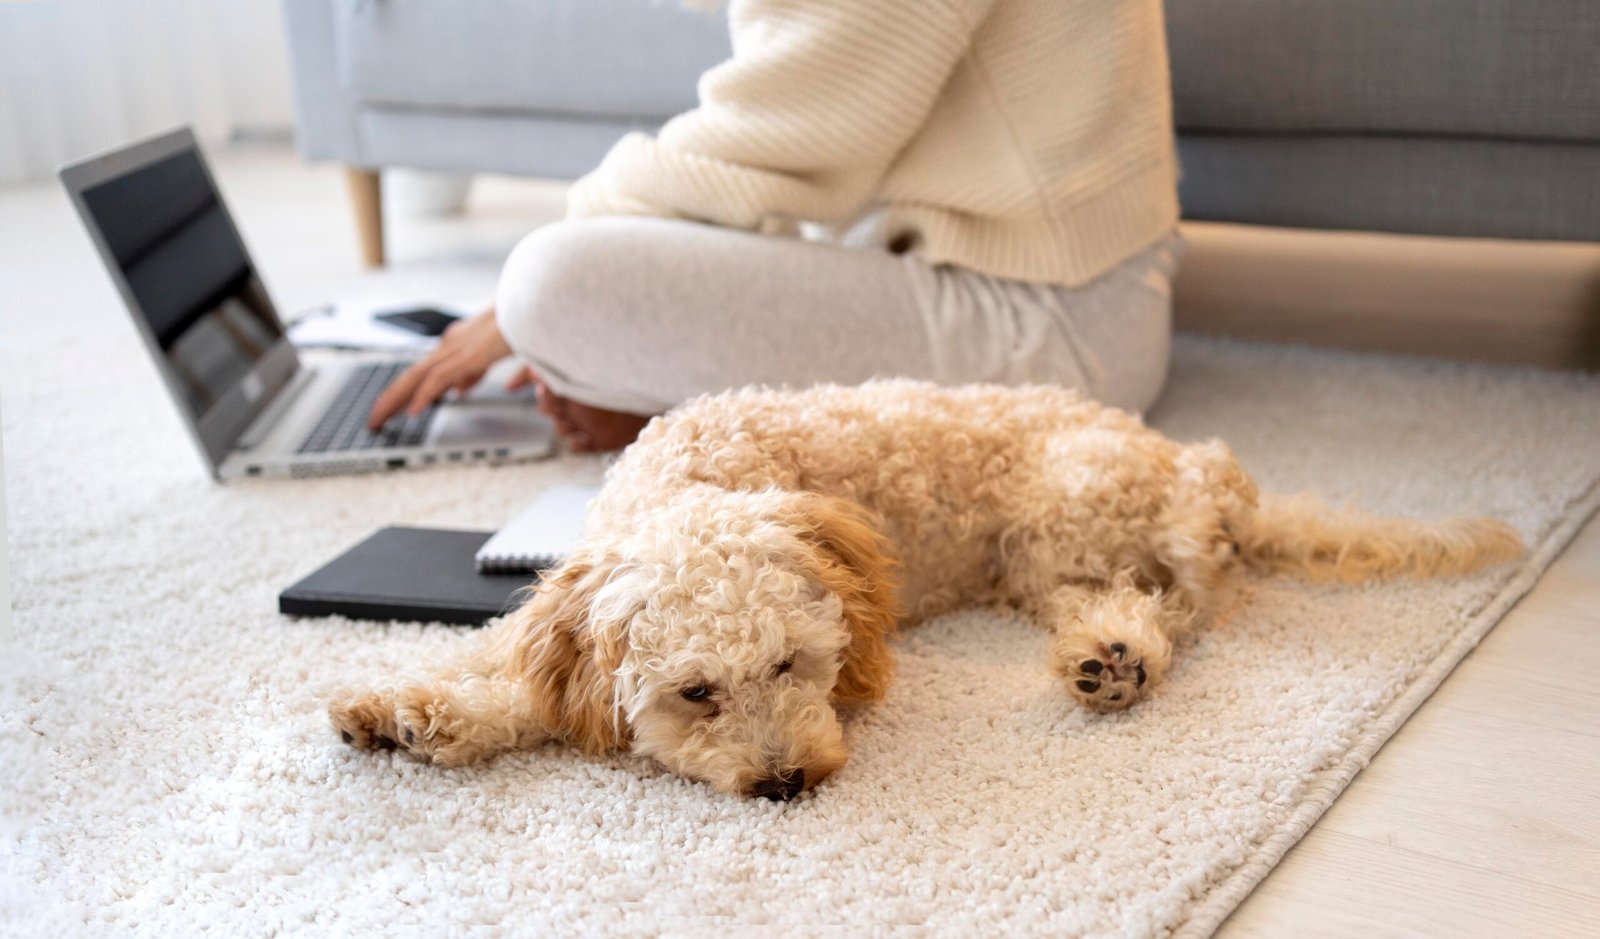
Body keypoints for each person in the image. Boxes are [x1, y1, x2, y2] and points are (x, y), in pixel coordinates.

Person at [368, 0, 1182, 453]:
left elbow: (770, 142)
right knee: (585, 269)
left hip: (1049, 330)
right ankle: (685, 414)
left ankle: (684, 419)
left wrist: (512, 315)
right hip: (1048, 287)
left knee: (547, 280)